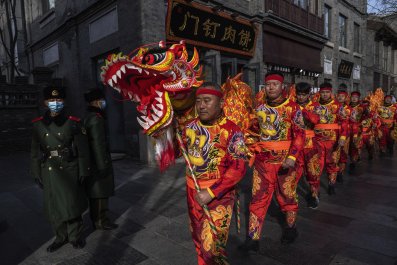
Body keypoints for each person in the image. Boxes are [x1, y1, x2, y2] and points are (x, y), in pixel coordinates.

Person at [182, 82, 247, 264]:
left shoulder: (232, 130)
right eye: (199, 101)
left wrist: (211, 192)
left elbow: (238, 168)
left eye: (207, 101)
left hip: (219, 195)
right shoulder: (189, 127)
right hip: (192, 191)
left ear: (221, 103)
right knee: (197, 237)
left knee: (212, 246)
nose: (201, 105)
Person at [240, 71, 305, 252]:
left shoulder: (293, 108)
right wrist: (248, 146)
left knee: (287, 195)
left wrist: (292, 157)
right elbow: (252, 132)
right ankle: (253, 238)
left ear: (282, 87)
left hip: (286, 163)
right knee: (257, 198)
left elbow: (300, 135)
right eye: (268, 85)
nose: (271, 88)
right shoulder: (259, 109)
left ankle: (291, 229)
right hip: (263, 162)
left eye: (275, 84)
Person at [30, 85, 90, 252]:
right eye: (51, 100)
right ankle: (60, 237)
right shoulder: (38, 125)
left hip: (69, 167)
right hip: (49, 168)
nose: (55, 103)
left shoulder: (73, 122)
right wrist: (35, 173)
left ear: (63, 101)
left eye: (58, 100)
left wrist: (84, 170)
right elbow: (35, 151)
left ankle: (75, 236)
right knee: (54, 205)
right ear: (45, 102)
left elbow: (83, 150)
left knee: (71, 203)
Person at [83, 88, 118, 230]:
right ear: (96, 102)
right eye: (101, 100)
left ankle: (98, 219)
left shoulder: (90, 117)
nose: (104, 103)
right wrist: (102, 164)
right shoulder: (96, 119)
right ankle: (100, 220)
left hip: (93, 161)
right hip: (98, 162)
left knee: (97, 192)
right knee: (100, 192)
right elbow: (98, 143)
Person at [307, 83, 348, 195]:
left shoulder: (337, 106)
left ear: (331, 93)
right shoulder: (313, 106)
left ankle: (331, 183)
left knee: (332, 162)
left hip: (333, 140)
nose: (325, 95)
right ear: (320, 93)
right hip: (317, 141)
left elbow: (344, 122)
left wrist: (343, 137)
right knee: (317, 164)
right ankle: (315, 190)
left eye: (327, 92)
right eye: (323, 92)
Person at [293, 82, 321, 209]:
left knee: (312, 171)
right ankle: (291, 199)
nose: (301, 97)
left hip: (310, 143)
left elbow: (316, 120)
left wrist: (303, 112)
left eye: (304, 95)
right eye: (299, 94)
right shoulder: (291, 106)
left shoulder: (315, 106)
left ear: (309, 94)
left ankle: (314, 195)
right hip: (295, 145)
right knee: (294, 172)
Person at [336, 88, 351, 182]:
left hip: (345, 133)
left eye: (342, 96)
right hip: (334, 133)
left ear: (346, 98)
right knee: (334, 154)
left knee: (343, 153)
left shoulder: (348, 109)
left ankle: (340, 172)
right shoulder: (333, 107)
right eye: (339, 96)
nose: (340, 97)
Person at [348, 91, 364, 172]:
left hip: (357, 129)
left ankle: (353, 161)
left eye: (356, 97)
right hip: (347, 129)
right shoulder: (347, 106)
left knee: (355, 145)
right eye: (353, 97)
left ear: (358, 99)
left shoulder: (362, 107)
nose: (354, 98)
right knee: (348, 146)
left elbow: (368, 116)